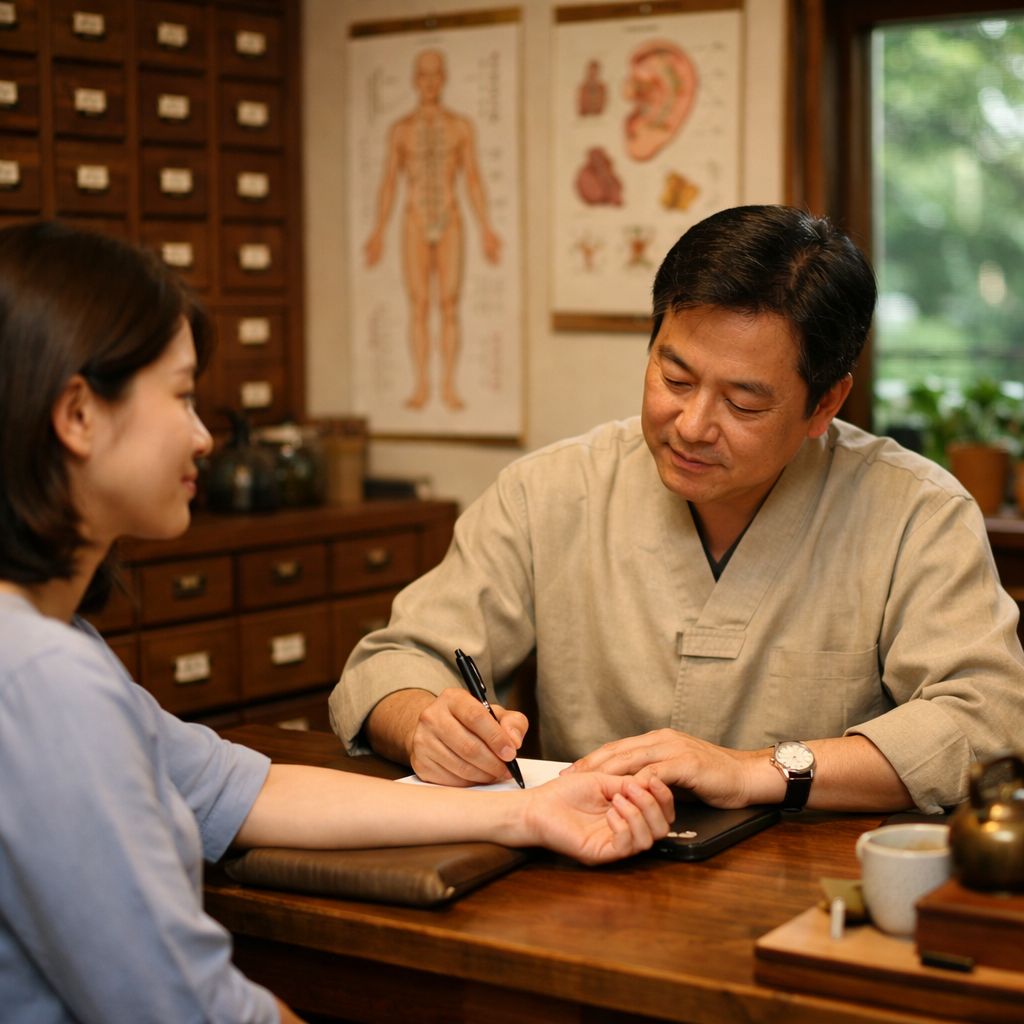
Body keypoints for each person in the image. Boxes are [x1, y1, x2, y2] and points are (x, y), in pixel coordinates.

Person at [0, 222, 674, 1024]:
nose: (203, 434)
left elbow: (236, 789)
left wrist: (528, 811)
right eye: (181, 396)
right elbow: (187, 1008)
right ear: (77, 413)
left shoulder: (57, 648)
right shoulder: (43, 677)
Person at [332, 205, 1024, 817]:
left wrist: (756, 770)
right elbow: (393, 662)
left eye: (745, 403)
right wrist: (426, 719)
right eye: (674, 377)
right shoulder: (550, 492)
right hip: (587, 875)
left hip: (817, 901)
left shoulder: (915, 513)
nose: (692, 425)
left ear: (826, 403)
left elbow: (987, 721)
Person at [364, 49, 501, 411]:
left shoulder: (460, 127)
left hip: (450, 218)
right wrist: (377, 231)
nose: (429, 82)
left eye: (435, 74)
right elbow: (389, 183)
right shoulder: (401, 130)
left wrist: (487, 228)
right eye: (422, 75)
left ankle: (449, 387)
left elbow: (472, 179)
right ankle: (423, 385)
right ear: (414, 80)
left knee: (449, 304)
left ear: (443, 79)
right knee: (420, 305)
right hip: (413, 219)